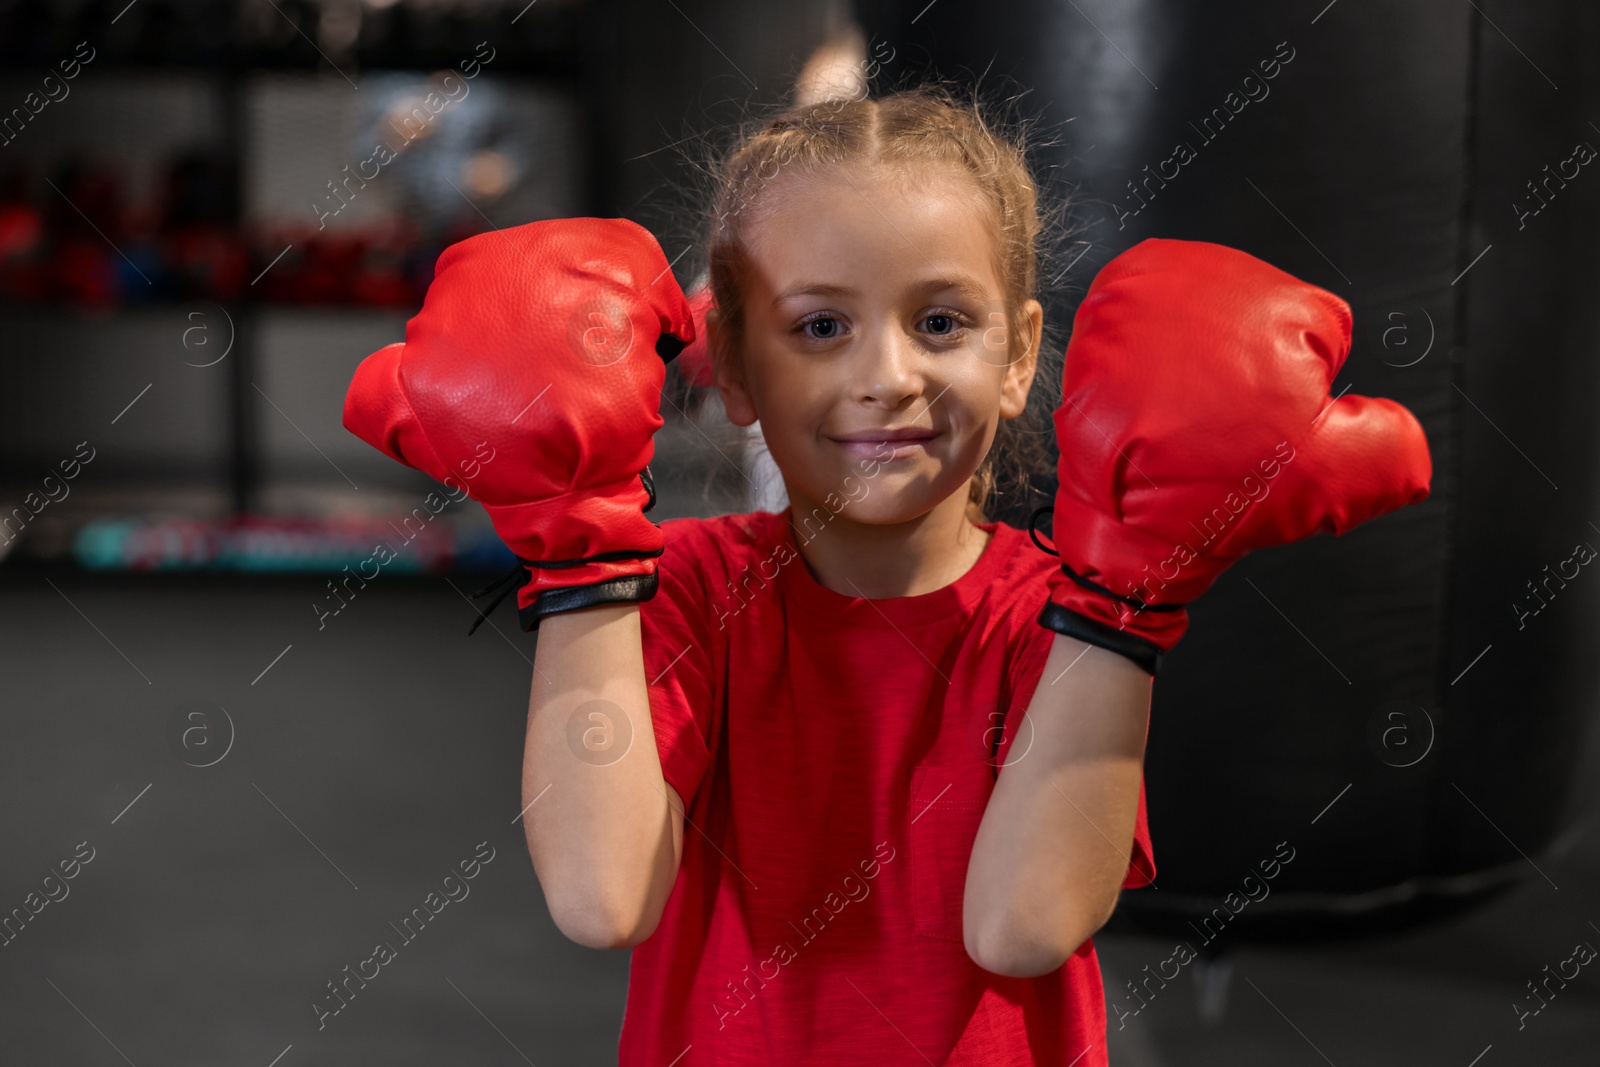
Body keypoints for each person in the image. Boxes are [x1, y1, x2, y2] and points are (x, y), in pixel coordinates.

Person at [342, 85, 1432, 1066]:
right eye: (820, 326)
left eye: (942, 321)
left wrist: (1126, 601)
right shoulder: (681, 593)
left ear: (1016, 359)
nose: (887, 375)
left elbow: (1026, 921)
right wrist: (576, 556)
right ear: (729, 365)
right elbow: (601, 894)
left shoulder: (1052, 621)